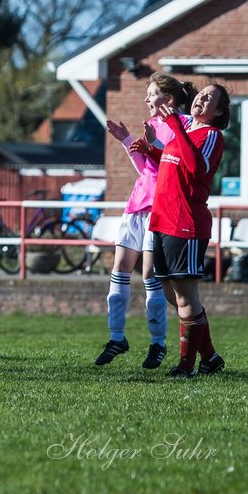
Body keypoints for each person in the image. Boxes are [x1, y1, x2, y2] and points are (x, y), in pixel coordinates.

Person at [96, 72, 194, 369]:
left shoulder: (186, 126)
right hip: (138, 203)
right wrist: (127, 141)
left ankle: (157, 343)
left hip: (161, 207)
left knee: (150, 275)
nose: (146, 99)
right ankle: (116, 337)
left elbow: (177, 165)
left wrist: (155, 146)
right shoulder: (151, 125)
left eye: (151, 94)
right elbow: (146, 169)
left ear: (170, 98)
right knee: (120, 268)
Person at [132, 82, 230, 378]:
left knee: (186, 296)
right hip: (163, 218)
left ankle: (186, 366)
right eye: (201, 94)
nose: (201, 98)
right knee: (167, 289)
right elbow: (175, 165)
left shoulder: (212, 135)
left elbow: (197, 168)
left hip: (185, 222)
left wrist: (174, 125)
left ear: (220, 111)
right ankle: (210, 356)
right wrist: (153, 151)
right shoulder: (185, 132)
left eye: (210, 98)